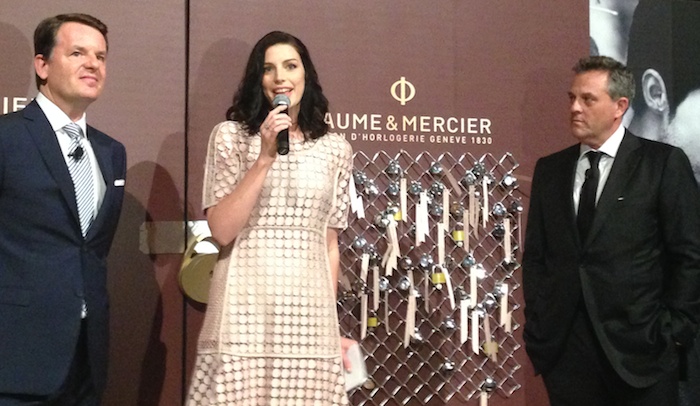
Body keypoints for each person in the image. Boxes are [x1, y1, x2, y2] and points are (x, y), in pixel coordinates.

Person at [187, 31, 356, 405]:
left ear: (305, 75)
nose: (281, 77)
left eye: (290, 66)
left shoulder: (335, 149)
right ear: (258, 80)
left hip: (309, 314)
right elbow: (222, 230)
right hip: (244, 307)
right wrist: (263, 158)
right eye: (269, 69)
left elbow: (329, 244)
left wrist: (329, 324)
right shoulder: (230, 137)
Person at [522, 55, 700, 406]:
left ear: (620, 106)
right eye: (572, 97)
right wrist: (540, 327)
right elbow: (537, 258)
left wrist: (674, 330)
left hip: (643, 354)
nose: (575, 108)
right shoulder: (551, 170)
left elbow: (689, 255)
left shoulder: (662, 164)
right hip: (567, 357)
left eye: (588, 99)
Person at [0, 13, 126, 406]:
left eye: (101, 56)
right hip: (15, 358)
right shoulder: (7, 138)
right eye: (77, 53)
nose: (93, 64)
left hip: (86, 361)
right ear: (42, 65)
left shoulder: (111, 151)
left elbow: (92, 249)